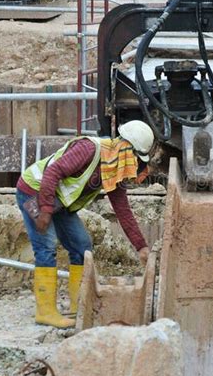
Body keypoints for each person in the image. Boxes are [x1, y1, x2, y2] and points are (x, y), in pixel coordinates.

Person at [16, 120, 154, 329]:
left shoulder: (112, 171)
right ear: (126, 148)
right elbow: (53, 172)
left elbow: (122, 210)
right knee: (46, 247)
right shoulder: (88, 150)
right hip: (33, 193)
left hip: (61, 203)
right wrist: (44, 210)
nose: (134, 164)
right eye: (135, 158)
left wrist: (141, 246)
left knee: (82, 247)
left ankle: (78, 306)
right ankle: (45, 312)